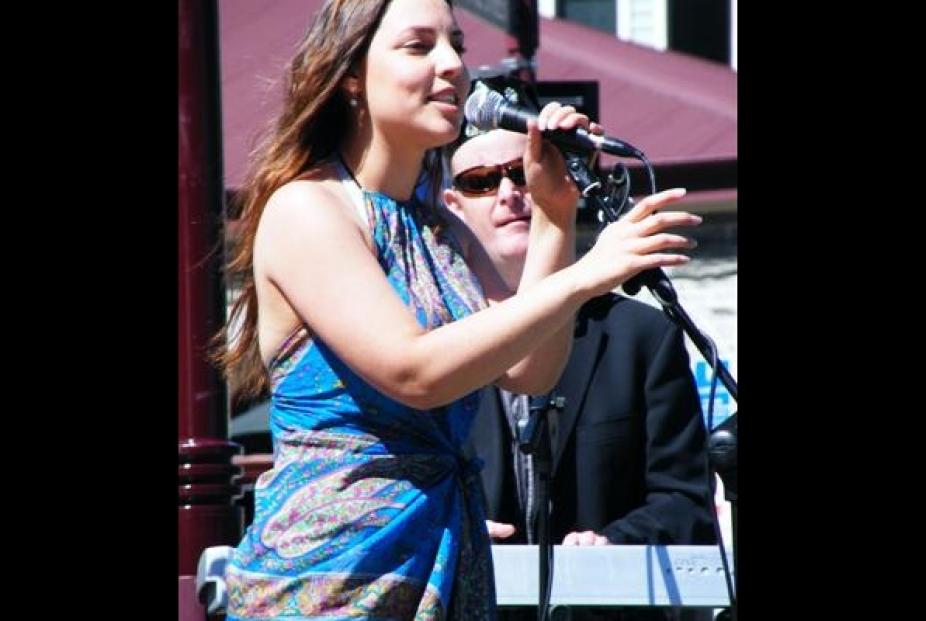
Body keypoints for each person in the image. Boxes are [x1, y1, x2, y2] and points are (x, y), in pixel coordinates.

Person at [213, 1, 701, 618]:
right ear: (351, 76)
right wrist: (585, 277)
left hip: (443, 561)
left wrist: (554, 218)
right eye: (419, 47)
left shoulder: (439, 229)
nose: (453, 66)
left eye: (457, 45)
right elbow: (414, 372)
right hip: (330, 576)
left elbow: (532, 372)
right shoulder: (309, 210)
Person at [444, 80, 716, 620]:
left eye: (522, 172)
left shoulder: (639, 335)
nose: (507, 193)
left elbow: (687, 507)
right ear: (452, 205)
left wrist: (613, 543)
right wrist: (457, 524)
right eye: (480, 182)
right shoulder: (430, 334)